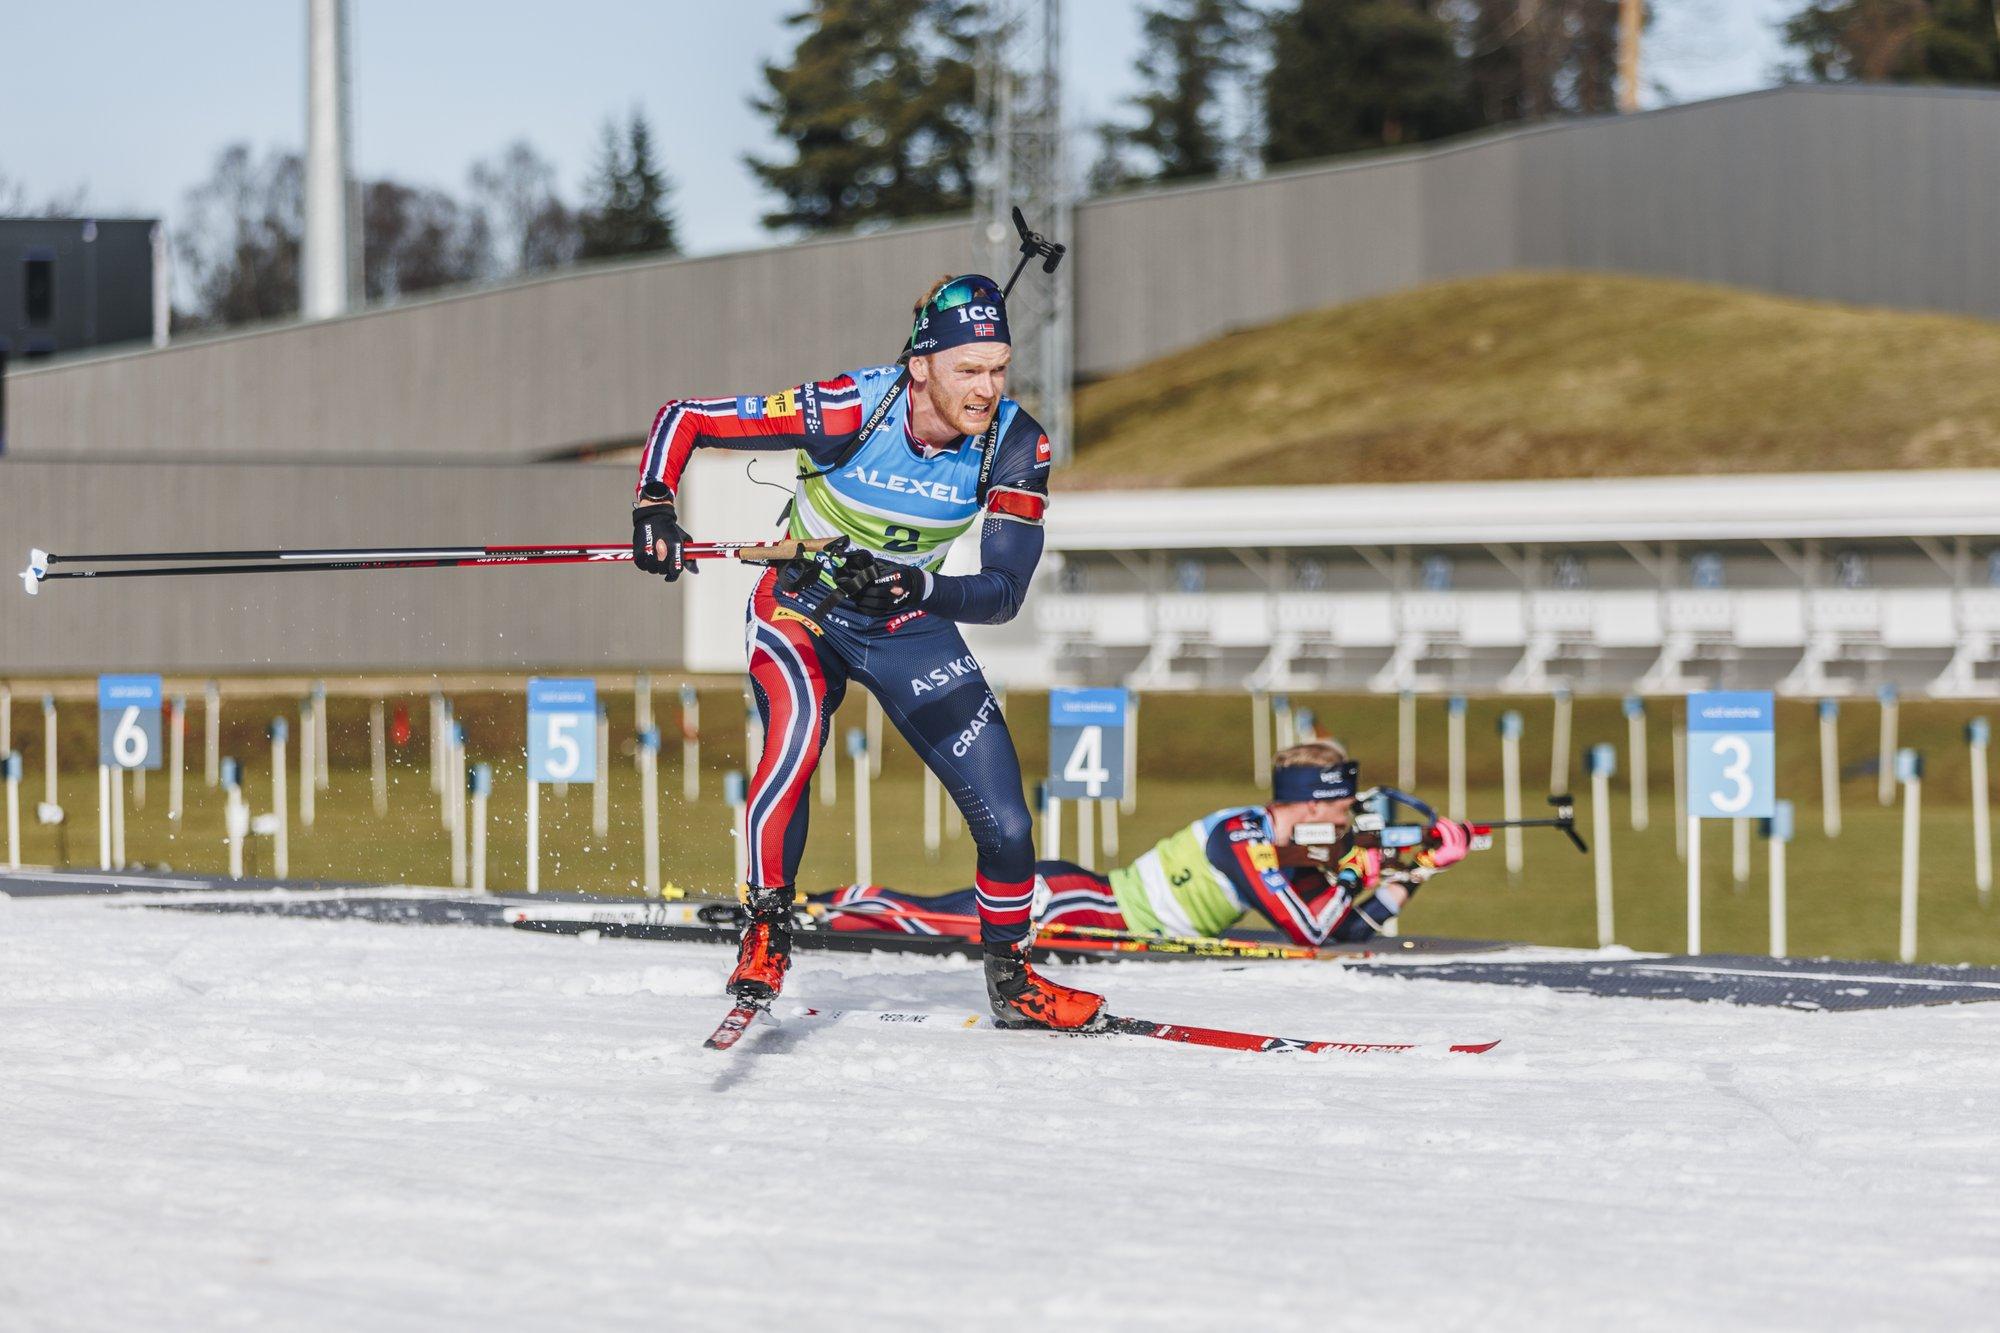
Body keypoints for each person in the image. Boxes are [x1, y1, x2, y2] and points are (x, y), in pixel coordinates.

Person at [630, 274, 1105, 1030]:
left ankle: (1012, 980)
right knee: (792, 742)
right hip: (803, 609)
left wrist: (920, 587)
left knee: (1009, 825)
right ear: (921, 366)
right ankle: (767, 928)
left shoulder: (1017, 442)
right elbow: (685, 417)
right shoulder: (852, 406)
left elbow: (1004, 589)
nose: (987, 389)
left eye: (999, 368)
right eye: (968, 370)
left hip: (909, 622)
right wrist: (656, 501)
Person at [814, 742, 1473, 948]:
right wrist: (1376, 866)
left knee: (936, 922)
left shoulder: (1292, 848)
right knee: (928, 921)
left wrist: (1415, 872)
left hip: (1090, 904)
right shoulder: (1243, 840)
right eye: (1337, 808)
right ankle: (817, 909)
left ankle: (821, 909)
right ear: (1304, 804)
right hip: (1074, 907)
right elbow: (1310, 931)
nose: (1347, 818)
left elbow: (1345, 930)